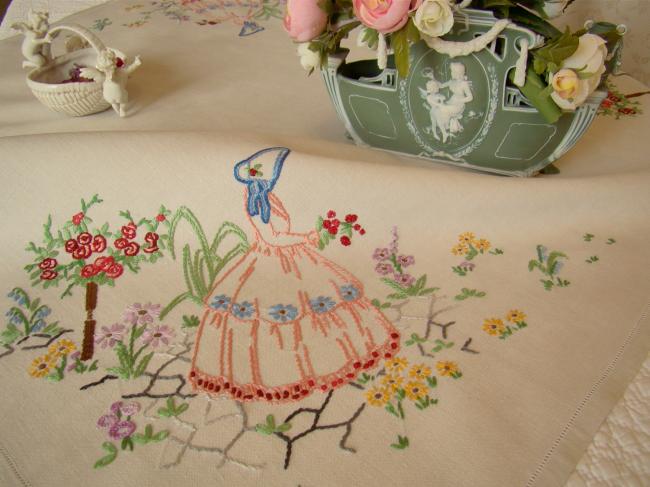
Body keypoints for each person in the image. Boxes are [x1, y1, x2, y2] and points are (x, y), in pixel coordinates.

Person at [189, 148, 401, 402]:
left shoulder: (267, 197)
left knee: (313, 305)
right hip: (272, 258)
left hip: (290, 256)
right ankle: (284, 373)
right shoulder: (256, 200)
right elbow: (272, 237)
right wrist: (305, 237)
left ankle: (324, 361)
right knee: (282, 309)